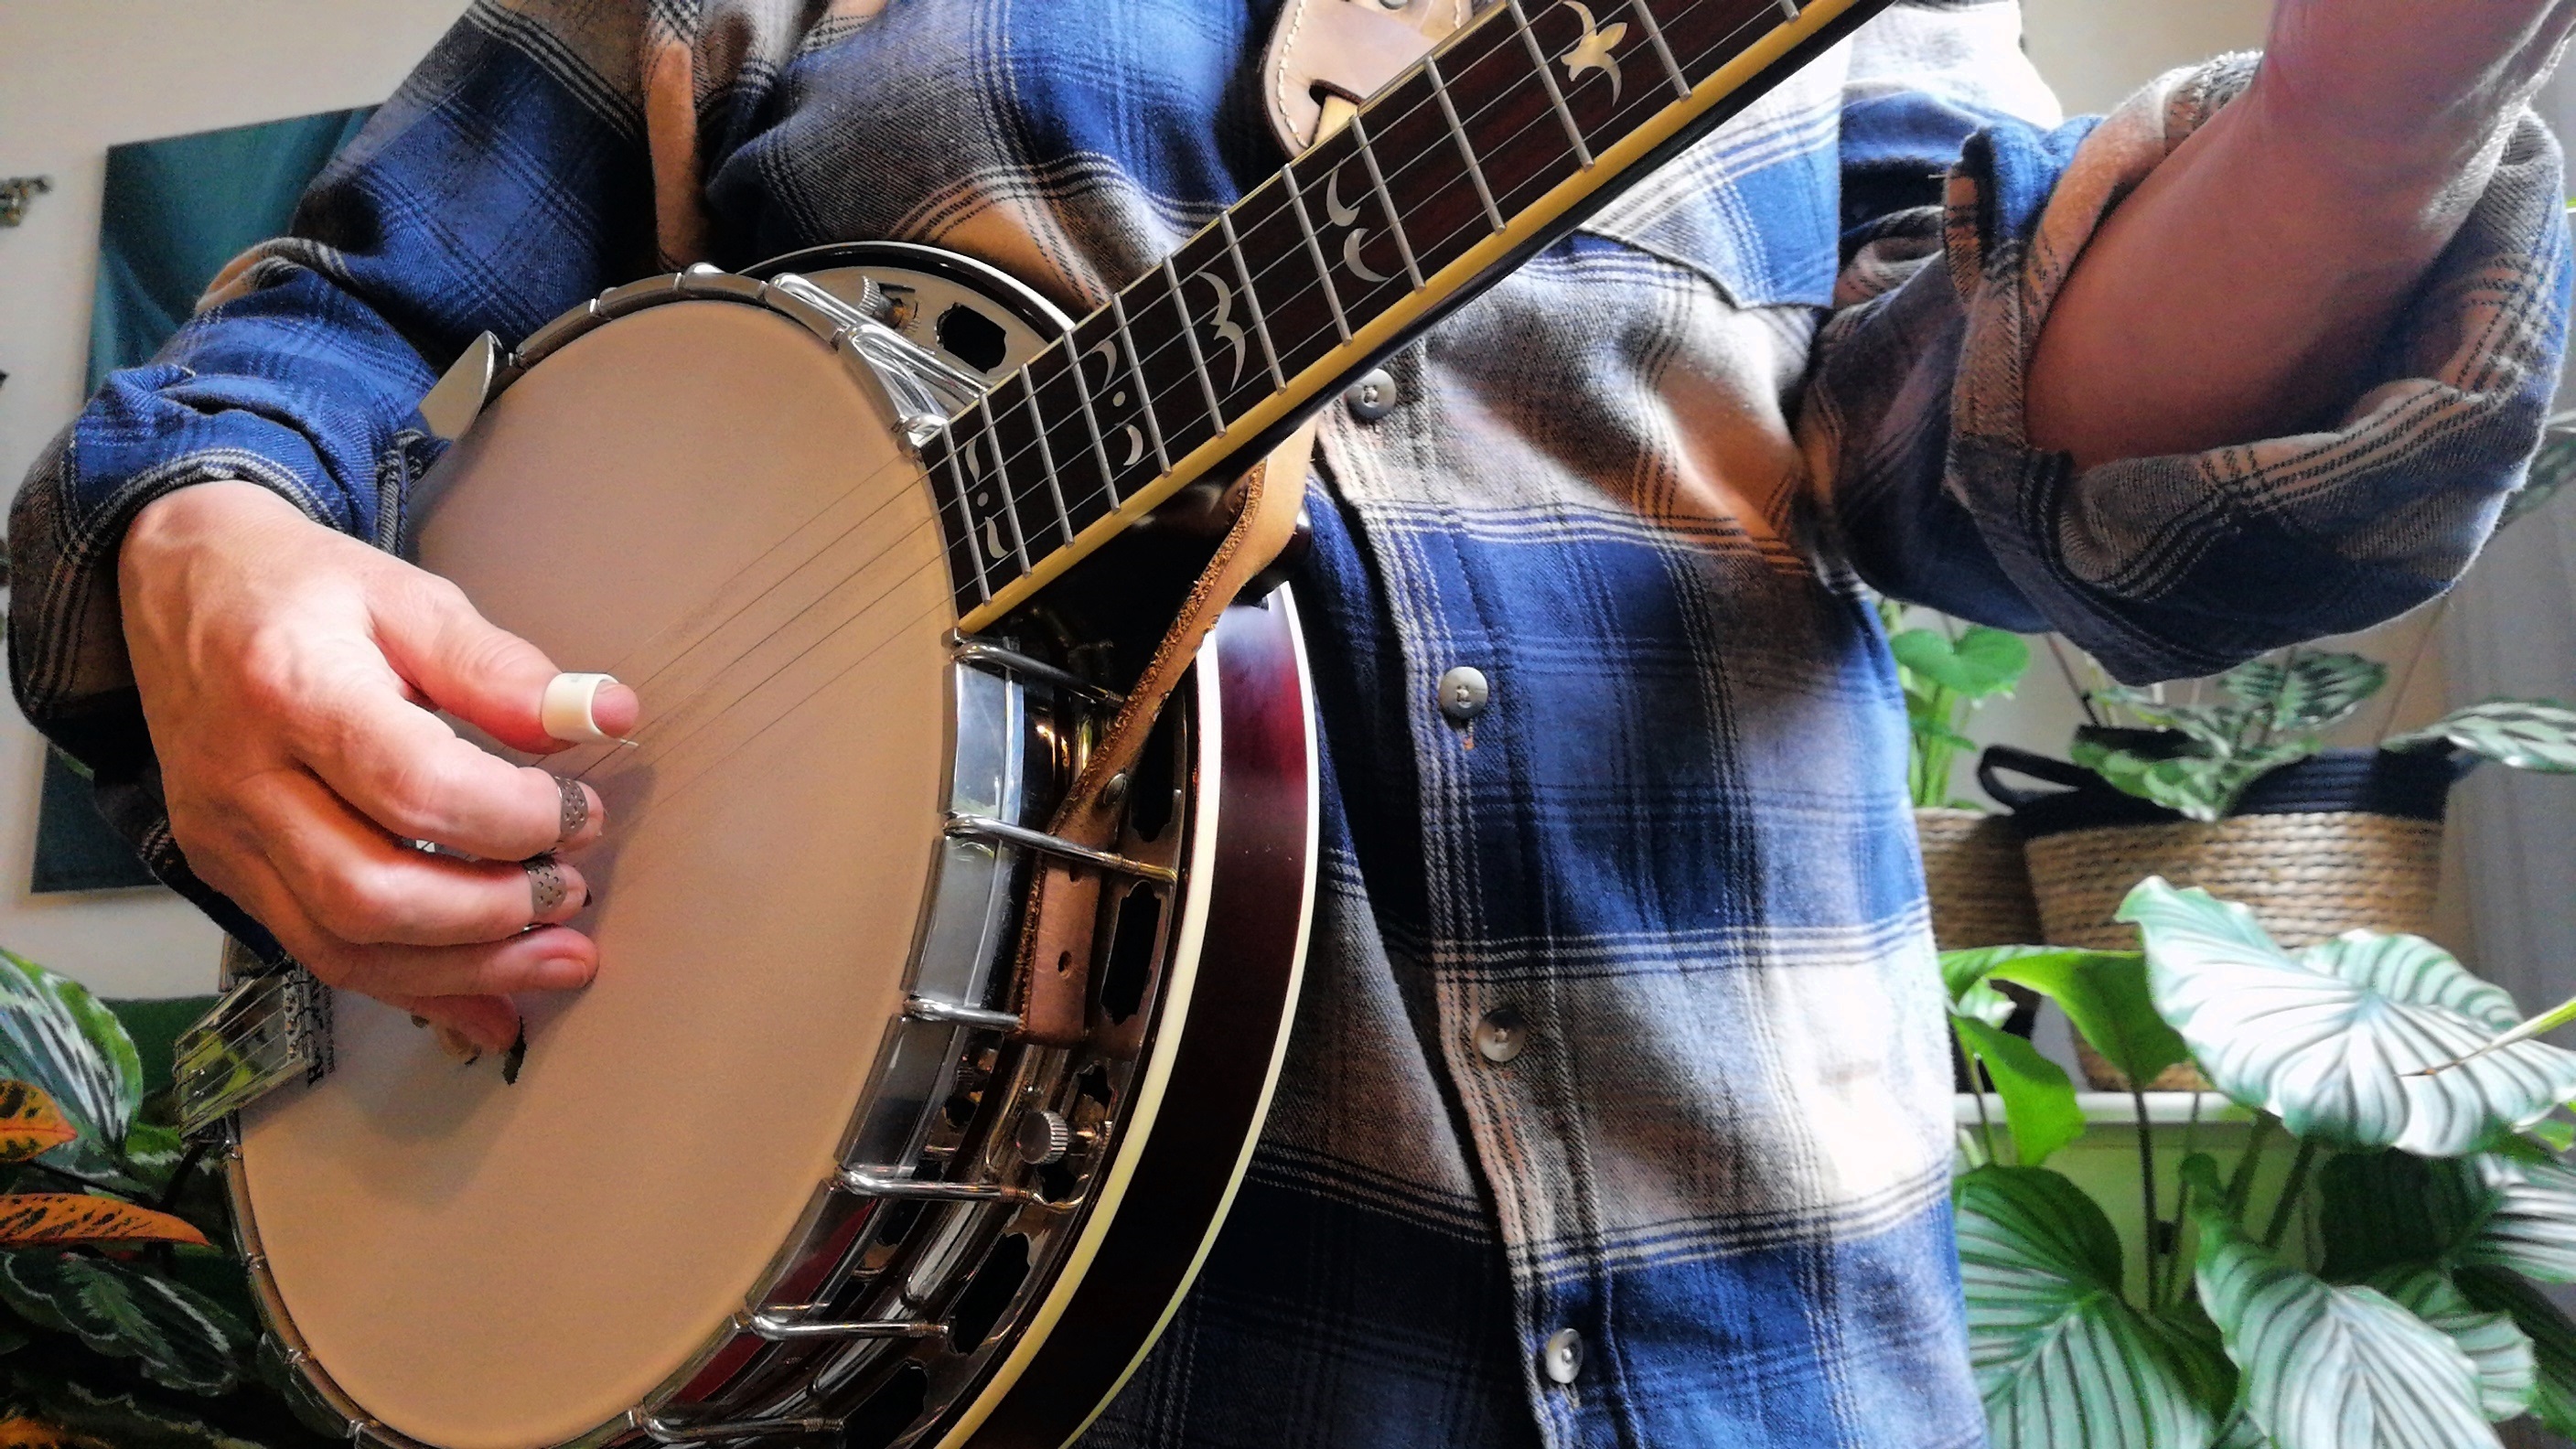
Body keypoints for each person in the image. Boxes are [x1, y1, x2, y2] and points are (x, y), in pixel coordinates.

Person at [12, 0, 2571, 1443]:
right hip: (975, 1371)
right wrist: (199, 547)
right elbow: (312, 336)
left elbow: (2012, 470)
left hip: (1765, 1343)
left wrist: (2364, 126)